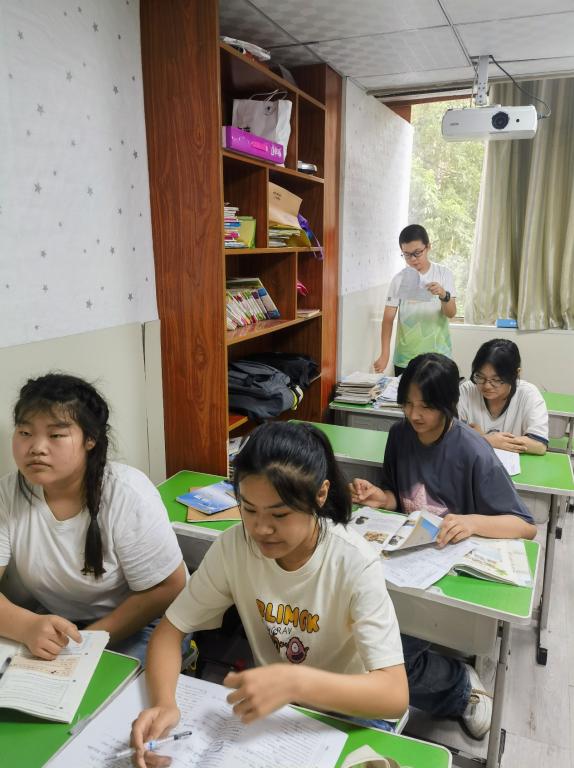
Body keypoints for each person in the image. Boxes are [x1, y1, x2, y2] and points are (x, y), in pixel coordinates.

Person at [130, 421, 407, 767]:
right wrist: (164, 704)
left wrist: (295, 683)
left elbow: (394, 694)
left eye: (280, 514)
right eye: (248, 509)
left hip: (352, 713)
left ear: (320, 494)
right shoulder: (235, 547)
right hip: (279, 709)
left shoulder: (353, 562)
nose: (261, 528)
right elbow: (170, 631)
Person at [351, 353, 536, 739]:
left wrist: (471, 521)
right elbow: (400, 498)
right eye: (408, 404)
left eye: (426, 407)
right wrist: (380, 497)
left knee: (387, 663)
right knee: (354, 647)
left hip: (444, 579)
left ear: (449, 403)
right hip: (400, 567)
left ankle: (460, 687)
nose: (414, 415)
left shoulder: (472, 450)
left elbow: (525, 526)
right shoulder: (400, 435)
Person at [0, 373, 186, 664]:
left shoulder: (127, 493)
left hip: (143, 622)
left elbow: (168, 588)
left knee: (97, 689)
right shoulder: (8, 492)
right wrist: (26, 626)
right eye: (25, 433)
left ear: (90, 439)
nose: (36, 447)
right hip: (62, 623)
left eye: (56, 435)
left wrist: (86, 643)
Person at [374, 224, 457, 376]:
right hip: (405, 359)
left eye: (417, 253)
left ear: (428, 247)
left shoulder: (444, 274)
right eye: (407, 254)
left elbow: (451, 313)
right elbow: (387, 320)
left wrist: (443, 295)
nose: (412, 259)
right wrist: (384, 354)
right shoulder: (398, 280)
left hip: (439, 358)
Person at [458, 339, 548, 455]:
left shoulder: (528, 394)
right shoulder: (467, 390)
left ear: (516, 374)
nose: (486, 386)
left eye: (496, 379)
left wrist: (482, 439)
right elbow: (452, 436)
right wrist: (488, 440)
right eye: (480, 377)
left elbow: (539, 445)